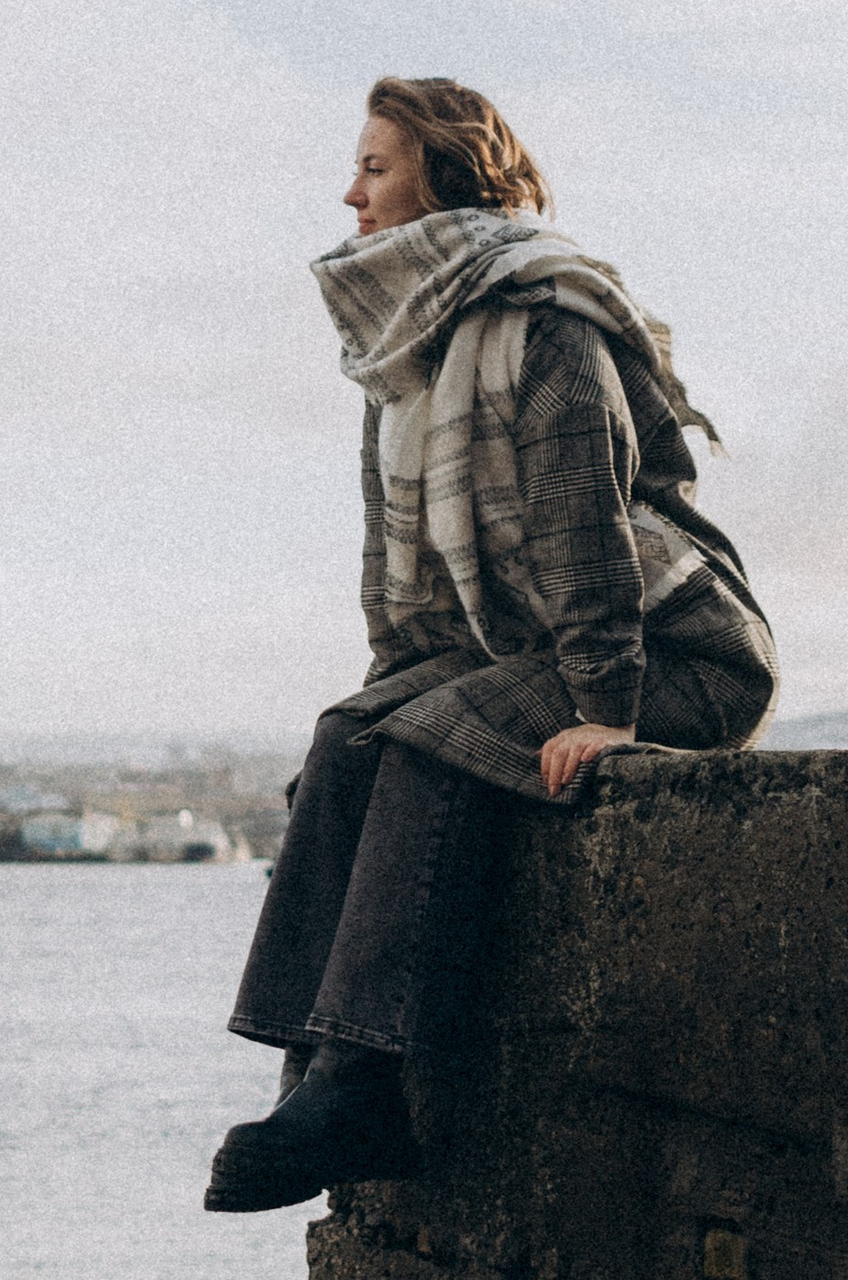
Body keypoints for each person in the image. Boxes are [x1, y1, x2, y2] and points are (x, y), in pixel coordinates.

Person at [206, 76, 776, 1216]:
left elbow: (585, 532)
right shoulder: (406, 352)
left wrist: (609, 712)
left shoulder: (542, 321)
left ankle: (366, 1079)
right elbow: (401, 586)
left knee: (431, 744)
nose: (350, 193)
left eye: (375, 167)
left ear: (446, 175)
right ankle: (311, 1072)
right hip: (527, 650)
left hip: (676, 654)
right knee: (350, 738)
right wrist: (366, 714)